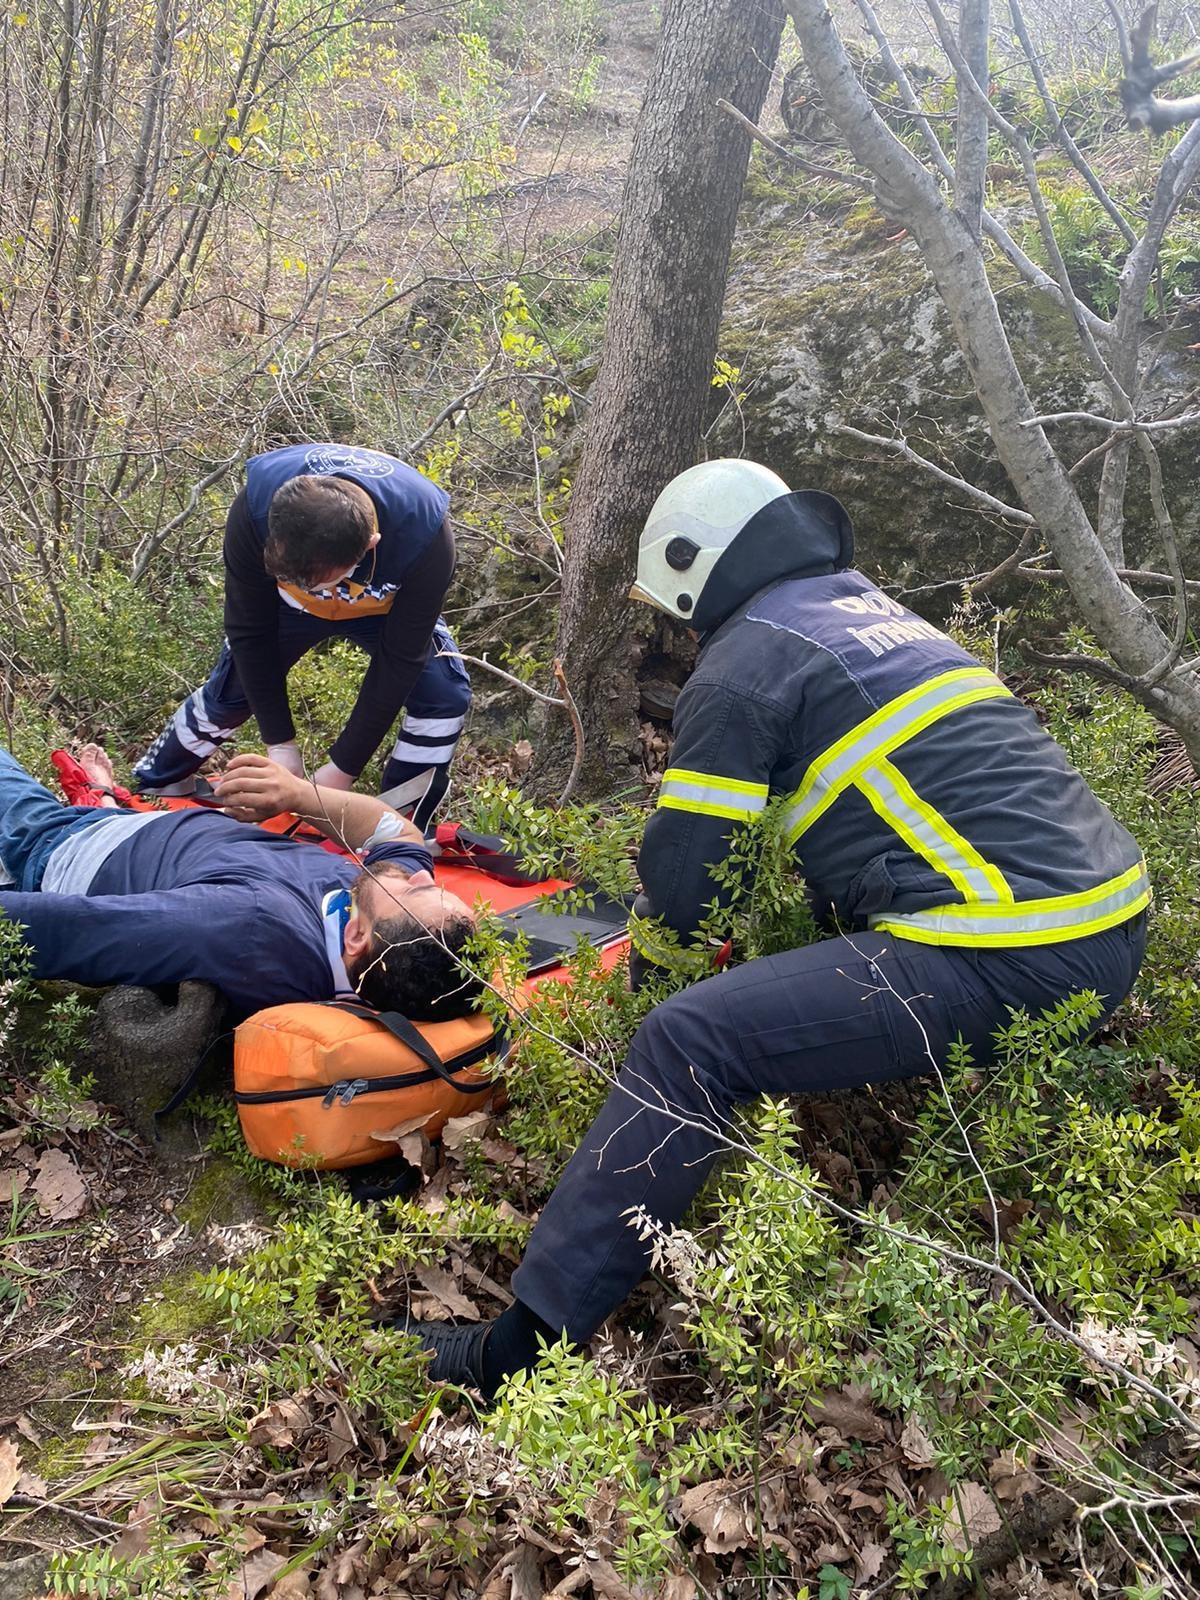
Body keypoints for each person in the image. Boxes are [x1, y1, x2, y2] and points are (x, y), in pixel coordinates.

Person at [403, 457, 1149, 1398]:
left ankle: (518, 1349)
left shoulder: (747, 659)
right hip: (1110, 920)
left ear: (689, 568)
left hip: (1015, 950)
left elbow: (687, 890)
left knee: (692, 1039)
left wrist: (649, 989)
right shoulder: (869, 613)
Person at [0, 745, 481, 1021]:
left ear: (358, 937)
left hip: (64, 848)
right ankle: (103, 798)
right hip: (145, 838)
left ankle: (96, 803)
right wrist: (295, 794)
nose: (422, 874)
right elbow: (402, 836)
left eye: (419, 890)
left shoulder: (246, 929)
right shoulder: (382, 921)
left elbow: (67, 930)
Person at [133, 443, 472, 830]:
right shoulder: (255, 508)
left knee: (444, 697)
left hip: (382, 608)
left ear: (369, 546)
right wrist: (280, 745)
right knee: (232, 691)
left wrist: (342, 770)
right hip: (284, 606)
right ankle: (153, 783)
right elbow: (249, 630)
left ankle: (402, 821)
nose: (319, 593)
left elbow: (401, 659)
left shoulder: (426, 538)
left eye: (322, 581)